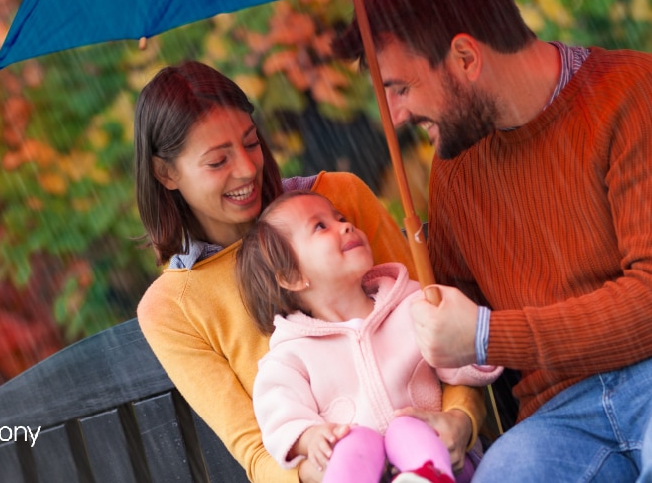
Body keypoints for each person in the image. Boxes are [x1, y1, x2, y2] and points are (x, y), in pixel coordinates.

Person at [332, 0, 652, 482]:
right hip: (564, 419)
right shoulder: (456, 169)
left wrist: (487, 335)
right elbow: (456, 334)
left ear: (466, 56)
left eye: (400, 88)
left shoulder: (644, 97)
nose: (396, 113)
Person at [132, 61, 485, 483]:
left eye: (251, 142)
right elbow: (257, 450)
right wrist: (336, 467)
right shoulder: (172, 307)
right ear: (165, 173)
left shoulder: (337, 199)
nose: (246, 169)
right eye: (217, 161)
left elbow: (440, 335)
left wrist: (460, 420)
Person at [238, 190, 501, 483]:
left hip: (440, 460)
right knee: (351, 444)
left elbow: (459, 365)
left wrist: (475, 342)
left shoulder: (411, 306)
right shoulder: (290, 356)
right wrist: (309, 437)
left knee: (407, 426)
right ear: (291, 277)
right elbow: (279, 415)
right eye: (320, 226)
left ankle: (425, 478)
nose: (346, 226)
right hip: (364, 471)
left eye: (342, 218)